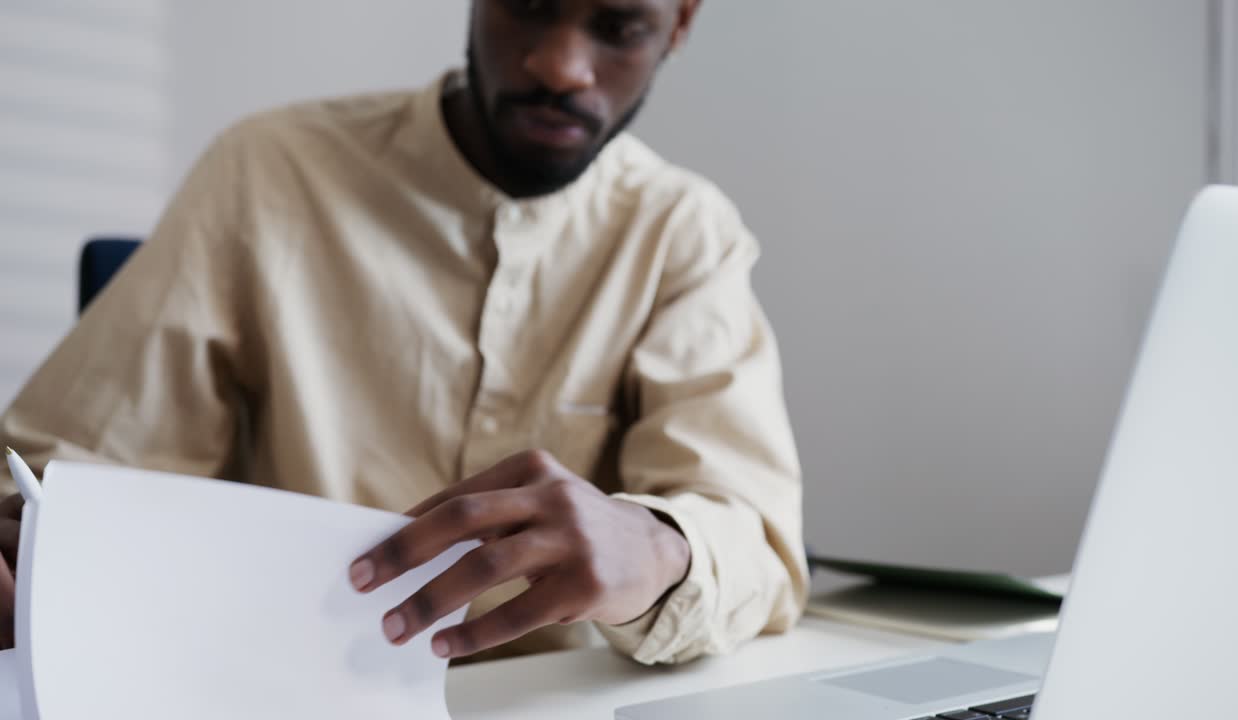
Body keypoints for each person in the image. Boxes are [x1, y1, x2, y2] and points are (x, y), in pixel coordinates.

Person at [0, 0, 807, 665]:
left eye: (620, 25)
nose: (560, 67)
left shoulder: (682, 232)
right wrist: (28, 552)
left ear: (681, 24)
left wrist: (659, 547)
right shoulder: (269, 170)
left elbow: (753, 542)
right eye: (530, 6)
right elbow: (57, 475)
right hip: (268, 688)